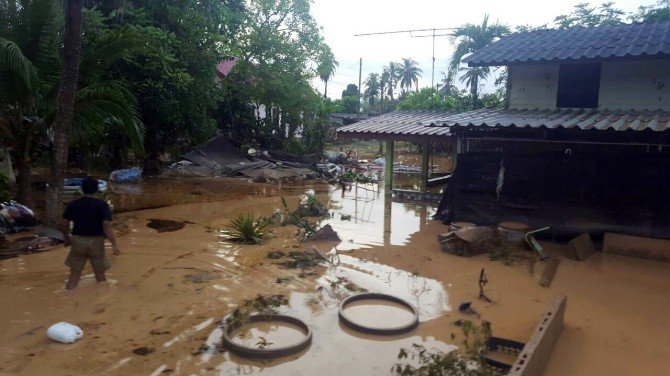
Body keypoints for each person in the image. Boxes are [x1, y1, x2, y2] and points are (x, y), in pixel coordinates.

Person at [61, 177, 120, 290]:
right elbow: (106, 225)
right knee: (100, 276)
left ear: (82, 189)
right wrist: (114, 245)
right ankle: (101, 300)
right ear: (97, 189)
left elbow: (63, 224)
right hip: (96, 242)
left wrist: (67, 238)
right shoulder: (102, 205)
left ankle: (68, 295)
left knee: (74, 276)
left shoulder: (73, 204)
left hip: (78, 241)